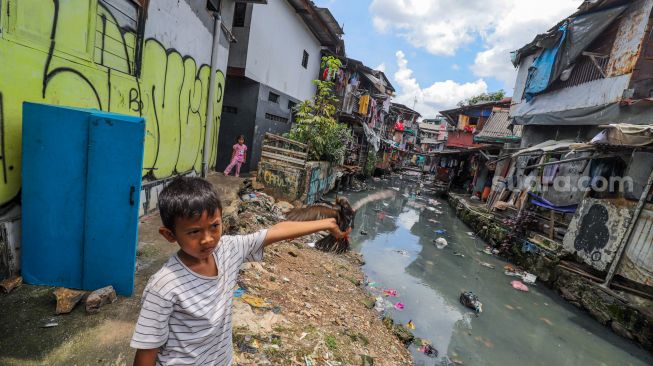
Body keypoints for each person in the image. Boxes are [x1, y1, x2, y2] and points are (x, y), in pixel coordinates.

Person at [131, 177, 349, 366]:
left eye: (214, 226)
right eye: (194, 231)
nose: (207, 239)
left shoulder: (228, 250)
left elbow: (275, 232)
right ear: (169, 235)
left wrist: (328, 223)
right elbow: (147, 351)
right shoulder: (163, 286)